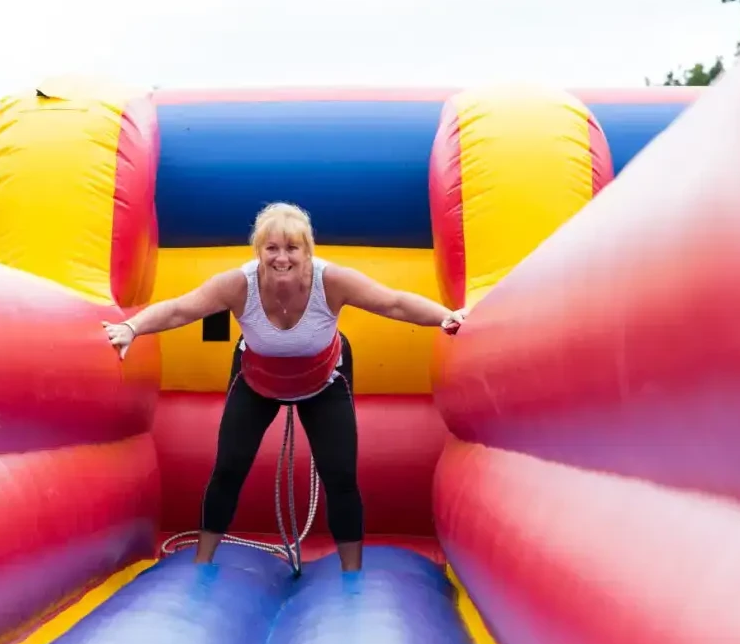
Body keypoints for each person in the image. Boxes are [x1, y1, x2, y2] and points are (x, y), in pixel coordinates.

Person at [102, 202, 467, 572]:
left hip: (323, 381)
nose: (281, 258)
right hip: (256, 380)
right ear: (258, 251)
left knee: (340, 475)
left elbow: (395, 304)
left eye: (292, 248)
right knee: (228, 468)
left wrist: (446, 317)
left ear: (308, 251)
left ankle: (352, 573)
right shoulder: (236, 284)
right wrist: (131, 328)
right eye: (271, 248)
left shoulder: (332, 281)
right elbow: (181, 310)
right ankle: (203, 560)